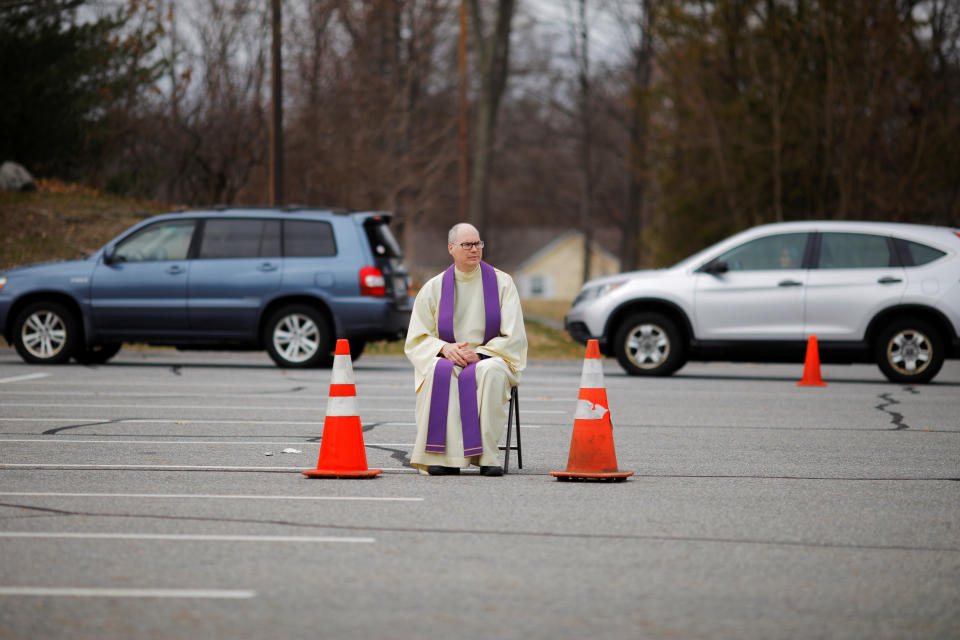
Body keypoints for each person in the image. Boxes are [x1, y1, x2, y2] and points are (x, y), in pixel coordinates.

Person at [404, 223, 528, 477]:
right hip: (449, 355)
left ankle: (487, 457)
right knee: (441, 369)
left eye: (478, 244)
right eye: (467, 245)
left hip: (492, 357)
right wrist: (444, 348)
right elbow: (417, 338)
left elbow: (513, 335)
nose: (474, 249)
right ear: (451, 248)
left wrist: (481, 354)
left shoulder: (503, 284)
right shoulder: (434, 288)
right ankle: (442, 457)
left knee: (489, 371)